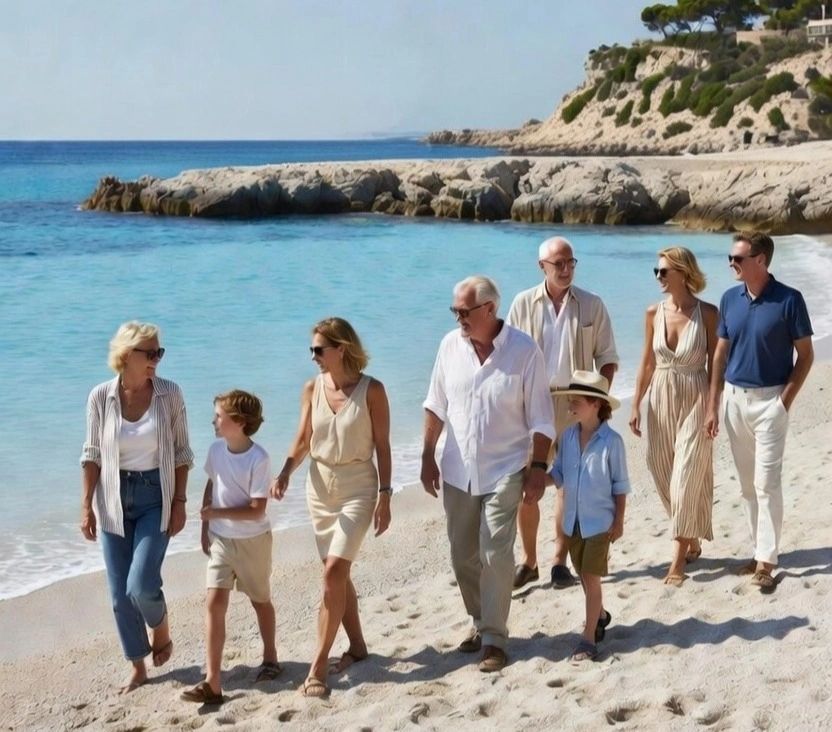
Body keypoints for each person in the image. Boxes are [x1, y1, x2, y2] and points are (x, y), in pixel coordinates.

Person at [421, 275, 554, 673]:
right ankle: (480, 621)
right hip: (458, 470)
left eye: (464, 311)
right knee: (463, 555)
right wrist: (427, 454)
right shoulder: (449, 346)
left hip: (506, 468)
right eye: (455, 311)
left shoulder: (524, 351)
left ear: (490, 309)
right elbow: (435, 404)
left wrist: (538, 469)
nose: (458, 318)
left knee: (495, 551)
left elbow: (542, 419)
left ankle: (495, 638)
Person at [271, 317, 392, 698]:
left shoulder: (373, 390)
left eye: (319, 350)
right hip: (319, 489)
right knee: (335, 573)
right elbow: (303, 438)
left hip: (359, 487)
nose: (314, 357)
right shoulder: (312, 388)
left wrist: (386, 495)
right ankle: (357, 646)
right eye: (311, 350)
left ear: (341, 348)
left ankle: (318, 666)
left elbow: (384, 447)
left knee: (333, 572)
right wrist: (286, 470)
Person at [80, 321, 193, 693]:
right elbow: (92, 454)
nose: (157, 359)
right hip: (112, 497)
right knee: (118, 594)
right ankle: (138, 667)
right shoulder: (100, 397)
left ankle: (159, 625)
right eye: (151, 353)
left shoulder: (170, 394)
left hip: (154, 496)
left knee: (140, 584)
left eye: (160, 352)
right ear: (127, 356)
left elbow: (181, 453)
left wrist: (179, 501)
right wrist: (86, 504)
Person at [506, 236, 619, 590]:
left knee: (567, 485)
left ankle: (558, 560)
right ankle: (529, 560)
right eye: (559, 264)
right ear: (542, 266)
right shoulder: (522, 304)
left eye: (571, 262)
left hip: (576, 403)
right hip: (531, 404)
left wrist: (596, 402)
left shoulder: (592, 304)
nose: (566, 269)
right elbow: (507, 357)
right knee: (529, 483)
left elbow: (608, 358)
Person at [705, 232, 813, 593]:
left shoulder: (790, 300)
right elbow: (720, 354)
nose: (731, 264)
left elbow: (806, 355)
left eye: (738, 258)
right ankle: (757, 551)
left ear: (761, 260)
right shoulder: (728, 299)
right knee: (748, 485)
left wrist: (784, 402)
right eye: (730, 258)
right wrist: (713, 404)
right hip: (734, 401)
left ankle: (767, 560)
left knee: (767, 484)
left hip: (771, 402)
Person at [181, 390, 278, 705]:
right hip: (222, 539)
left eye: (218, 416)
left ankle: (271, 658)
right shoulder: (215, 451)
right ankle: (213, 681)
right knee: (214, 602)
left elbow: (257, 510)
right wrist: (206, 526)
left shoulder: (258, 458)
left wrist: (216, 514)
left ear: (238, 422)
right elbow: (213, 483)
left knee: (260, 601)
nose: (213, 420)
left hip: (253, 541)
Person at [629, 247, 718, 586]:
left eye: (664, 271)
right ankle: (690, 536)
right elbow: (647, 363)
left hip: (695, 395)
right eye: (656, 271)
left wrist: (713, 407)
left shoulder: (708, 313)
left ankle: (678, 562)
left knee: (686, 476)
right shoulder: (653, 313)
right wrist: (635, 403)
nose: (658, 277)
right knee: (660, 467)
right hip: (660, 397)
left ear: (683, 272)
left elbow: (715, 366)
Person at [550, 371, 629, 662]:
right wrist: (534, 480)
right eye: (570, 401)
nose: (570, 407)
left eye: (576, 401)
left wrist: (619, 520)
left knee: (591, 579)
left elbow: (620, 487)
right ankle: (601, 615)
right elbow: (558, 473)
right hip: (573, 522)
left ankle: (587, 639)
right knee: (584, 575)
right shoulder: (568, 437)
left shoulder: (612, 442)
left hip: (599, 523)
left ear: (596, 404)